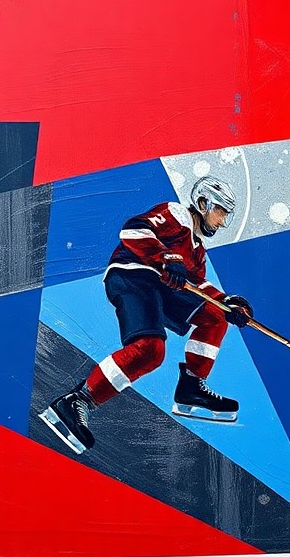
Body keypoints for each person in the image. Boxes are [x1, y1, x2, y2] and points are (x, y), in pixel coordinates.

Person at [39, 176, 255, 455]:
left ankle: (191, 386)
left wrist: (226, 303)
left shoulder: (197, 250)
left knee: (215, 315)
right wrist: (164, 257)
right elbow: (133, 230)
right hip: (133, 274)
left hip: (161, 287)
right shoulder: (176, 215)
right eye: (220, 212)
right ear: (203, 203)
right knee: (150, 351)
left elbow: (194, 286)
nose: (222, 222)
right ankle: (78, 400)